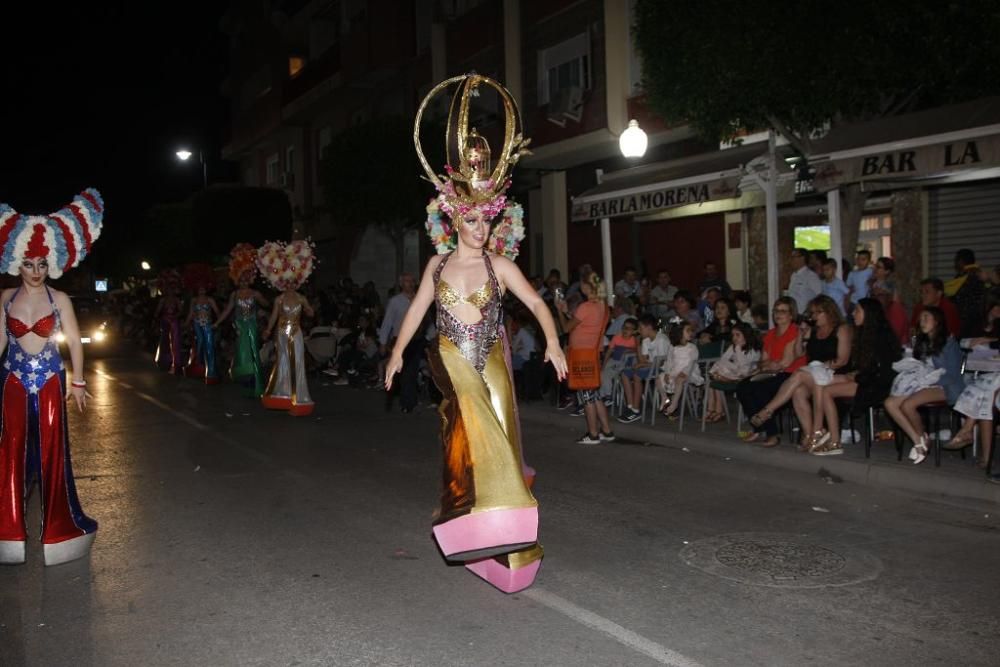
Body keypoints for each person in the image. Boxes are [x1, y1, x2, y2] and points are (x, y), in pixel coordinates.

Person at [397, 73, 567, 593]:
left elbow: (537, 302)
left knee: (505, 438)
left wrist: (555, 341)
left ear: (493, 221)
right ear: (455, 221)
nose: (479, 229)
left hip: (490, 353)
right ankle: (472, 515)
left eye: (485, 221)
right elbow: (417, 311)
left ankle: (511, 537)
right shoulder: (437, 266)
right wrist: (396, 353)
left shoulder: (500, 266)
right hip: (449, 354)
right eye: (470, 221)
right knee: (467, 417)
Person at [0, 188, 103, 565]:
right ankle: (7, 531)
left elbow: (74, 341)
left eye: (42, 264)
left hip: (49, 381)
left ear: (52, 263)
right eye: (29, 264)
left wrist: (78, 382)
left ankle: (60, 529)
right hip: (12, 380)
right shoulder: (6, 299)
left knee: (51, 452)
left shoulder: (60, 300)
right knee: (9, 448)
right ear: (17, 263)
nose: (36, 271)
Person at [748, 295, 852, 451]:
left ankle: (767, 411)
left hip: (836, 375)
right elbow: (798, 353)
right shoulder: (815, 330)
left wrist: (821, 367)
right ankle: (812, 435)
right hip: (815, 375)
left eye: (818, 312)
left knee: (799, 374)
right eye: (813, 313)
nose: (814, 316)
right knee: (798, 391)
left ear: (829, 312)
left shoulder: (841, 329)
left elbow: (842, 360)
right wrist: (800, 335)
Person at [815, 298, 902, 457]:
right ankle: (823, 430)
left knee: (828, 391)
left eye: (857, 311)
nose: (853, 314)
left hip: (877, 385)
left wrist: (857, 377)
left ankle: (835, 439)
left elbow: (880, 370)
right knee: (823, 383)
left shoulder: (880, 337)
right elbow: (866, 366)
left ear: (868, 314)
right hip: (867, 379)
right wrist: (855, 374)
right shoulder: (865, 334)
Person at [885, 306, 965, 464]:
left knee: (908, 405)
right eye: (921, 319)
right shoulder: (922, 342)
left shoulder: (949, 343)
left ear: (937, 321)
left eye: (926, 318)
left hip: (944, 385)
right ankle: (918, 439)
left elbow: (953, 375)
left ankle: (921, 442)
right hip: (922, 383)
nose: (922, 322)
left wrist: (928, 378)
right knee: (890, 403)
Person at [735, 297, 806, 447]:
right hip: (771, 372)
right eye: (776, 310)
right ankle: (758, 428)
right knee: (743, 387)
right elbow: (763, 361)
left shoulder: (794, 331)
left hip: (791, 374)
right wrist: (768, 365)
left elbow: (785, 363)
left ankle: (771, 433)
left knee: (761, 389)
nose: (778, 314)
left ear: (791, 315)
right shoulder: (770, 334)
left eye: (783, 311)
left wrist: (770, 365)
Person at [258, 239, 317, 416]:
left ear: (297, 282)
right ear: (283, 282)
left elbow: (311, 314)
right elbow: (275, 316)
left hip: (296, 332)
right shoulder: (279, 299)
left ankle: (298, 397)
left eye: (293, 282)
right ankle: (283, 394)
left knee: (297, 362)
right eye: (287, 282)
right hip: (282, 333)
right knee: (283, 361)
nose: (290, 285)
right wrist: (268, 330)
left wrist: (308, 309)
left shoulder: (301, 298)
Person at [557, 273, 614, 443]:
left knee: (587, 396)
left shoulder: (586, 306)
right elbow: (583, 324)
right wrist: (567, 312)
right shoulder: (603, 307)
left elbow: (567, 329)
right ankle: (606, 431)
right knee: (595, 395)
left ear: (587, 287)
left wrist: (560, 312)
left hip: (582, 355)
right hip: (593, 353)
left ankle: (593, 434)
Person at [214, 243, 269, 397]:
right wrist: (217, 322)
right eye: (241, 276)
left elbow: (266, 304)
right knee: (242, 352)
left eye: (247, 276)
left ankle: (257, 383)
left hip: (252, 325)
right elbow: (227, 310)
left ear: (250, 277)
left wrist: (264, 304)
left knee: (253, 352)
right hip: (240, 326)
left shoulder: (255, 293)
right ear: (237, 277)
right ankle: (244, 377)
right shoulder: (235, 295)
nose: (244, 279)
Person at [379, 273, 421, 413]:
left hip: (416, 340)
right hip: (399, 340)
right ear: (401, 284)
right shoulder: (395, 301)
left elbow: (424, 320)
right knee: (404, 372)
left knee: (413, 371)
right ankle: (407, 402)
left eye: (411, 281)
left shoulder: (420, 298)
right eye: (406, 281)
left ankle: (411, 400)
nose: (409, 284)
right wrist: (383, 342)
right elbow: (388, 322)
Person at [618, 314, 670, 423]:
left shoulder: (662, 340)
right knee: (624, 373)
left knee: (637, 375)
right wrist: (638, 344)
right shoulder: (646, 340)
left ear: (649, 327)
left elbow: (660, 363)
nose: (639, 331)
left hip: (662, 368)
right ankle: (630, 405)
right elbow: (642, 360)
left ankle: (636, 410)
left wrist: (642, 365)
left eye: (641, 328)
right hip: (649, 366)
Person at [704, 323, 761, 422]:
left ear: (746, 335)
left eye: (737, 335)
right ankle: (713, 410)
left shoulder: (753, 350)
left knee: (717, 379)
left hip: (745, 376)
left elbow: (743, 367)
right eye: (733, 335)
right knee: (713, 381)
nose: (734, 338)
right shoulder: (733, 347)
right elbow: (723, 359)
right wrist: (717, 369)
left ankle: (718, 411)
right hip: (734, 372)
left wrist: (738, 349)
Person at [182, 264, 221, 384]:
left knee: (209, 346)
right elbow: (190, 313)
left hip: (208, 324)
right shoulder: (194, 300)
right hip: (197, 324)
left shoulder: (210, 300)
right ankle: (199, 364)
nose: (202, 289)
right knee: (199, 343)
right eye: (199, 288)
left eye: (203, 287)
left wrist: (219, 322)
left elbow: (217, 312)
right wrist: (186, 323)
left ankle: (211, 372)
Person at [657, 319, 703, 418]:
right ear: (679, 333)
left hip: (689, 372)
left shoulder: (692, 348)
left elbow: (691, 362)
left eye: (691, 330)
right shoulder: (672, 347)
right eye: (688, 330)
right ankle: (664, 398)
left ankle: (674, 403)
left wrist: (684, 372)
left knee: (679, 379)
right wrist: (667, 373)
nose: (691, 333)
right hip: (675, 371)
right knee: (658, 379)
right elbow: (669, 361)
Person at [946, 248, 987, 337]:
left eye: (956, 260)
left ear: (961, 261)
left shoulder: (970, 276)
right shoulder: (975, 274)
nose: (955, 263)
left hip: (969, 322)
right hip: (971, 321)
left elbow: (956, 297)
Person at [154, 269, 184, 374]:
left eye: (172, 289)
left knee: (175, 341)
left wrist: (175, 316)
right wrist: (160, 317)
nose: (170, 291)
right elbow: (157, 311)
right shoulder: (163, 300)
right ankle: (165, 360)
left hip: (174, 321)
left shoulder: (176, 300)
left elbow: (181, 310)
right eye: (168, 289)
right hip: (165, 321)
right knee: (165, 340)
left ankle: (177, 362)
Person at [788, 247, 822, 313]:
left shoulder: (811, 276)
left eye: (793, 257)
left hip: (804, 314)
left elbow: (819, 295)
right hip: (794, 313)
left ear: (802, 258)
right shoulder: (794, 275)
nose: (791, 260)